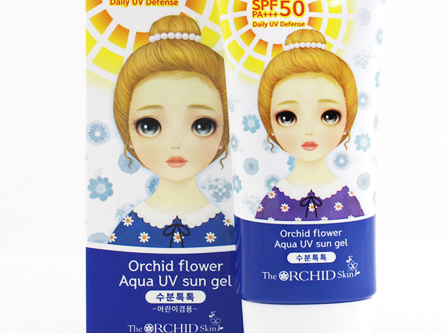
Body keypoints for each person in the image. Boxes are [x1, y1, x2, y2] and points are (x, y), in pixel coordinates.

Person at [109, 15, 234, 247]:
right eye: (149, 126)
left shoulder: (225, 229)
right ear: (128, 134)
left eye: (202, 125)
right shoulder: (129, 229)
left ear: (224, 134)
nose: (175, 143)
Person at [255, 28, 364, 221]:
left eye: (329, 116)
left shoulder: (347, 199)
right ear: (270, 126)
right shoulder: (272, 200)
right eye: (287, 117)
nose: (308, 131)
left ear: (347, 122)